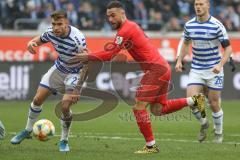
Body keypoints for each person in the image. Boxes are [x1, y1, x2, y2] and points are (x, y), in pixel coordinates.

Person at [72, 1, 206, 154]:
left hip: (155, 70)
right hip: (162, 68)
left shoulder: (126, 30)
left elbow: (110, 54)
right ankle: (194, 100)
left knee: (138, 106)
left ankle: (151, 146)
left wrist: (88, 56)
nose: (110, 19)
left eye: (113, 15)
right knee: (157, 109)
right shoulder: (131, 27)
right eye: (108, 16)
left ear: (123, 14)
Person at [10, 10, 88, 152]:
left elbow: (88, 63)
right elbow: (38, 40)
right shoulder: (50, 32)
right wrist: (31, 43)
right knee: (37, 99)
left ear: (67, 23)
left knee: (64, 106)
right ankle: (27, 131)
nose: (56, 27)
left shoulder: (78, 39)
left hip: (75, 73)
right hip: (58, 69)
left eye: (60, 24)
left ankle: (64, 140)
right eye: (54, 24)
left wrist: (78, 88)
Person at [175, 0, 233, 143]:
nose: (198, 7)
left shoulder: (217, 25)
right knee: (192, 101)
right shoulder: (189, 25)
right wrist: (179, 60)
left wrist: (220, 65)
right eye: (196, 4)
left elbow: (228, 49)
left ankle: (218, 133)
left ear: (208, 6)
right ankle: (204, 123)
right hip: (197, 68)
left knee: (213, 103)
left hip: (214, 69)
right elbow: (186, 43)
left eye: (201, 4)